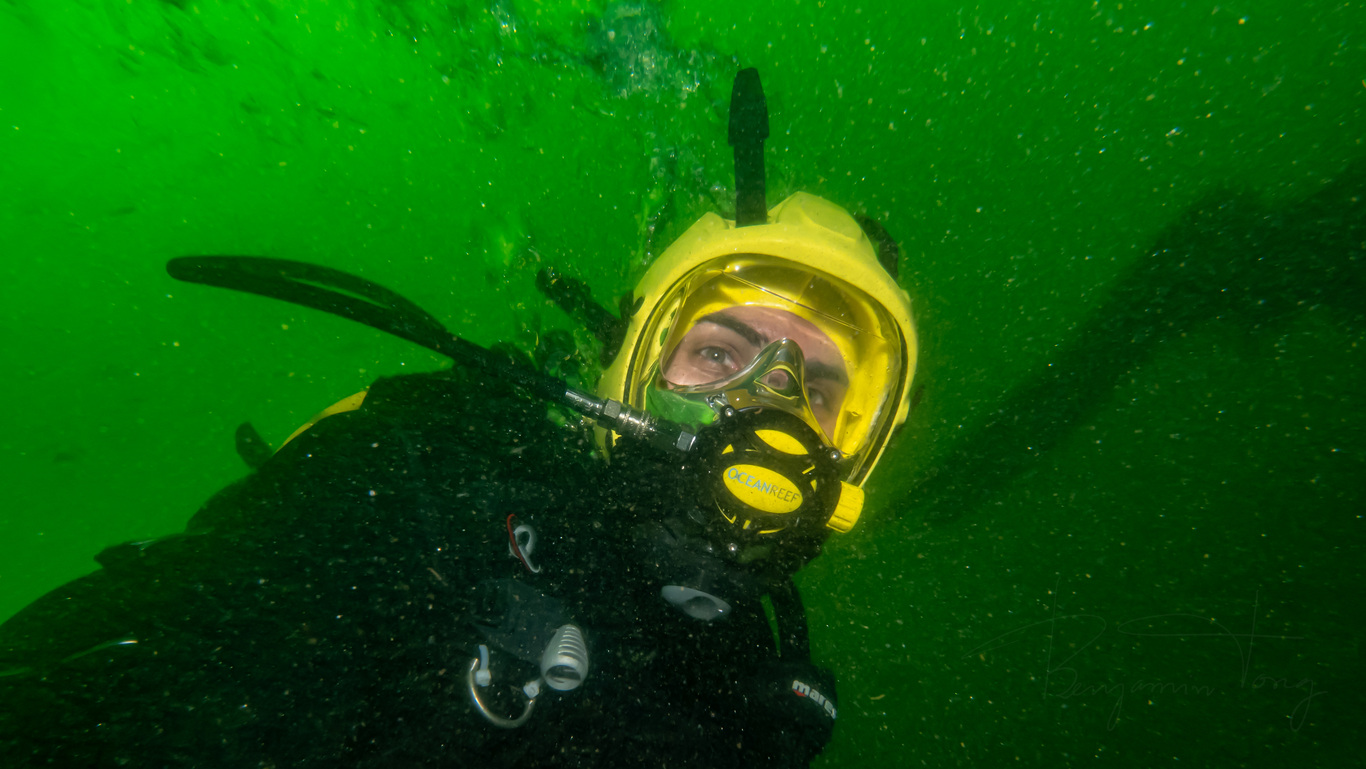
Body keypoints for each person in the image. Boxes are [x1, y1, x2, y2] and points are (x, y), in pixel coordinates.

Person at [0, 73, 917, 768]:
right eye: (718, 354)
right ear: (631, 369)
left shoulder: (758, 668)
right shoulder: (426, 472)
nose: (765, 407)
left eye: (817, 388)